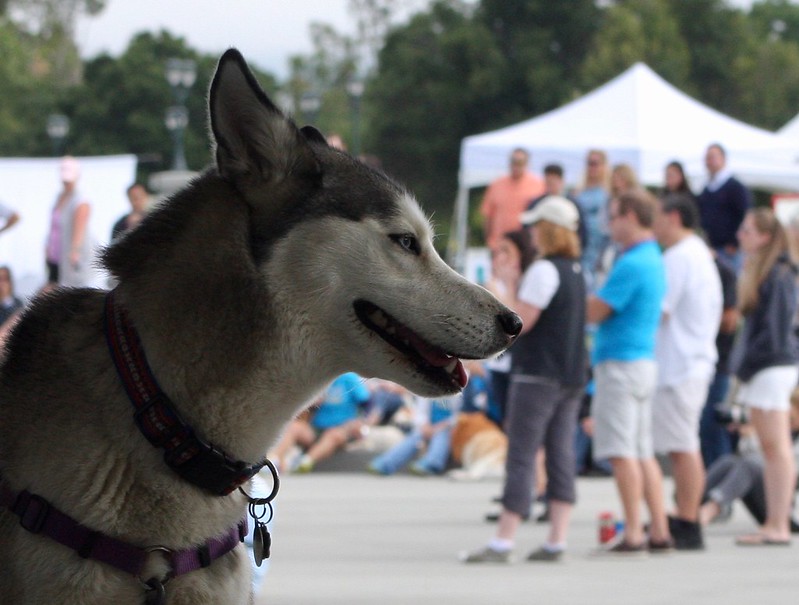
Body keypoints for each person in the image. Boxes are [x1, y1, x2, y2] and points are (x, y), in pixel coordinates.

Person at [463, 195, 587, 563]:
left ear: (548, 230)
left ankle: (504, 539)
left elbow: (521, 323)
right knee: (561, 451)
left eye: (536, 226)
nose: (531, 233)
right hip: (570, 374)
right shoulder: (577, 270)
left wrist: (504, 289)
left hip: (537, 374)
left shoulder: (544, 270)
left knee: (522, 453)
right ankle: (557, 538)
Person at [587, 188, 672, 555]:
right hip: (642, 360)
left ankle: (635, 531)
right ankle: (659, 529)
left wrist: (588, 295)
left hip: (621, 362)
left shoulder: (633, 261)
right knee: (641, 451)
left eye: (615, 215)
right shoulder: (652, 256)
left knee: (622, 452)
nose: (609, 223)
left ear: (632, 216)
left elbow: (595, 311)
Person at [651, 192, 723, 550]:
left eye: (658, 217)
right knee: (682, 445)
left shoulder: (680, 257)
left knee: (683, 446)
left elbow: (660, 310)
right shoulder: (695, 253)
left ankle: (689, 520)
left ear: (674, 217)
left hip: (682, 365)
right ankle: (685, 514)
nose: (654, 225)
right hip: (689, 361)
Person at [731, 207, 799, 546]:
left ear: (765, 237)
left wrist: (744, 368)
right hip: (766, 365)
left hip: (771, 365)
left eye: (747, 231)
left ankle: (778, 523)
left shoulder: (779, 274)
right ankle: (775, 521)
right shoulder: (767, 272)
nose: (741, 236)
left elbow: (773, 332)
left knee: (776, 448)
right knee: (773, 448)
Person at [698, 394, 799, 533]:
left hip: (787, 512)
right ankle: (690, 505)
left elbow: (773, 467)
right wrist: (748, 434)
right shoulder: (783, 433)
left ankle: (711, 510)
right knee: (729, 461)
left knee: (750, 465)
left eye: (791, 416)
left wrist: (752, 436)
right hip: (770, 502)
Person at [269, 372, 372, 473]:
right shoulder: (319, 378)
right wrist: (311, 402)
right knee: (294, 428)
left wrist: (361, 423)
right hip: (316, 427)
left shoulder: (349, 378)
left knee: (333, 434)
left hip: (341, 428)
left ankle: (304, 463)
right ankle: (274, 461)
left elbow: (367, 403)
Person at [484, 229, 535, 426]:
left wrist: (511, 284)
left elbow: (518, 319)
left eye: (506, 251)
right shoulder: (493, 284)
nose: (500, 257)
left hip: (518, 363)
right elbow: (508, 315)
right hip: (500, 364)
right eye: (497, 252)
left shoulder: (526, 282)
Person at [699, 256, 739, 469]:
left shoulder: (723, 270)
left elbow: (730, 321)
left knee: (712, 426)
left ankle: (721, 487)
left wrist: (703, 315)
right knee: (702, 431)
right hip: (698, 363)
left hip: (718, 362)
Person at [368, 392, 460, 476]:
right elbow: (421, 413)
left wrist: (439, 427)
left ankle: (432, 463)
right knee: (414, 437)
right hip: (428, 427)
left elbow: (458, 415)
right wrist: (425, 426)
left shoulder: (457, 392)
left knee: (441, 436)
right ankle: (385, 464)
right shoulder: (426, 390)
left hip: (447, 428)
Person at [697, 143, 752, 272]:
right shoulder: (707, 189)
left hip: (729, 251)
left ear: (723, 159)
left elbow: (746, 214)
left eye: (712, 157)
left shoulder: (735, 187)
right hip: (712, 249)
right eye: (707, 158)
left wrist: (735, 243)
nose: (709, 162)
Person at [479, 148, 545, 251]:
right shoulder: (497, 185)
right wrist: (488, 240)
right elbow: (488, 216)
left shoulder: (538, 185)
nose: (516, 166)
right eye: (514, 161)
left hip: (526, 246)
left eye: (520, 162)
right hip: (499, 244)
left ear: (527, 163)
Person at [44, 156, 93, 288]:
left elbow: (79, 229)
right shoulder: (59, 197)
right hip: (56, 256)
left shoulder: (80, 200)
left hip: (71, 258)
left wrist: (74, 251)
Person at [526, 163, 587, 252]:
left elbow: (582, 231)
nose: (550, 186)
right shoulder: (536, 203)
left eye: (553, 182)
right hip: (540, 251)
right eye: (548, 182)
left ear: (561, 181)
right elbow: (527, 227)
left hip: (566, 251)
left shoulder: (573, 205)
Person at [575, 149, 611, 290]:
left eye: (595, 163)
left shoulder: (608, 193)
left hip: (599, 252)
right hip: (581, 249)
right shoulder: (579, 192)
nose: (592, 167)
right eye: (589, 163)